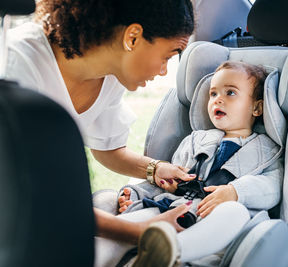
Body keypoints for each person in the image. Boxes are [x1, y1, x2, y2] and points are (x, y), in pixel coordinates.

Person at [4, 0, 197, 245]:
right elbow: (37, 195)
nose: (163, 71)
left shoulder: (112, 74)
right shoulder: (18, 64)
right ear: (133, 38)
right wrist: (143, 232)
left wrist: (155, 169)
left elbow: (108, 150)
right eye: (167, 56)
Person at [96, 61, 283, 266]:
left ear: (257, 107)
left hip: (213, 224)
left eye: (230, 93)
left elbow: (272, 187)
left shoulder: (268, 150)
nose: (217, 100)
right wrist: (136, 194)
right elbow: (166, 180)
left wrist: (236, 192)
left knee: (235, 212)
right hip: (173, 210)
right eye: (213, 94)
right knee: (115, 232)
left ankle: (170, 252)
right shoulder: (195, 140)